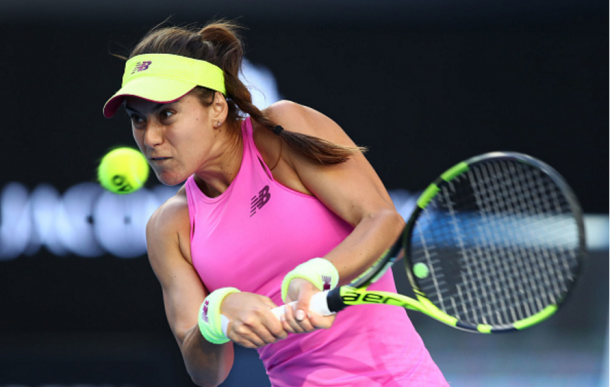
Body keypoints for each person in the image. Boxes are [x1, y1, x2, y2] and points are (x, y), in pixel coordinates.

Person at [103, 20, 448, 387]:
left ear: (217, 108)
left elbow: (386, 224)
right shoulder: (167, 227)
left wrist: (315, 275)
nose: (150, 138)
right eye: (137, 119)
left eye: (166, 114)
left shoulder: (283, 130)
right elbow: (206, 372)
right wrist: (216, 315)